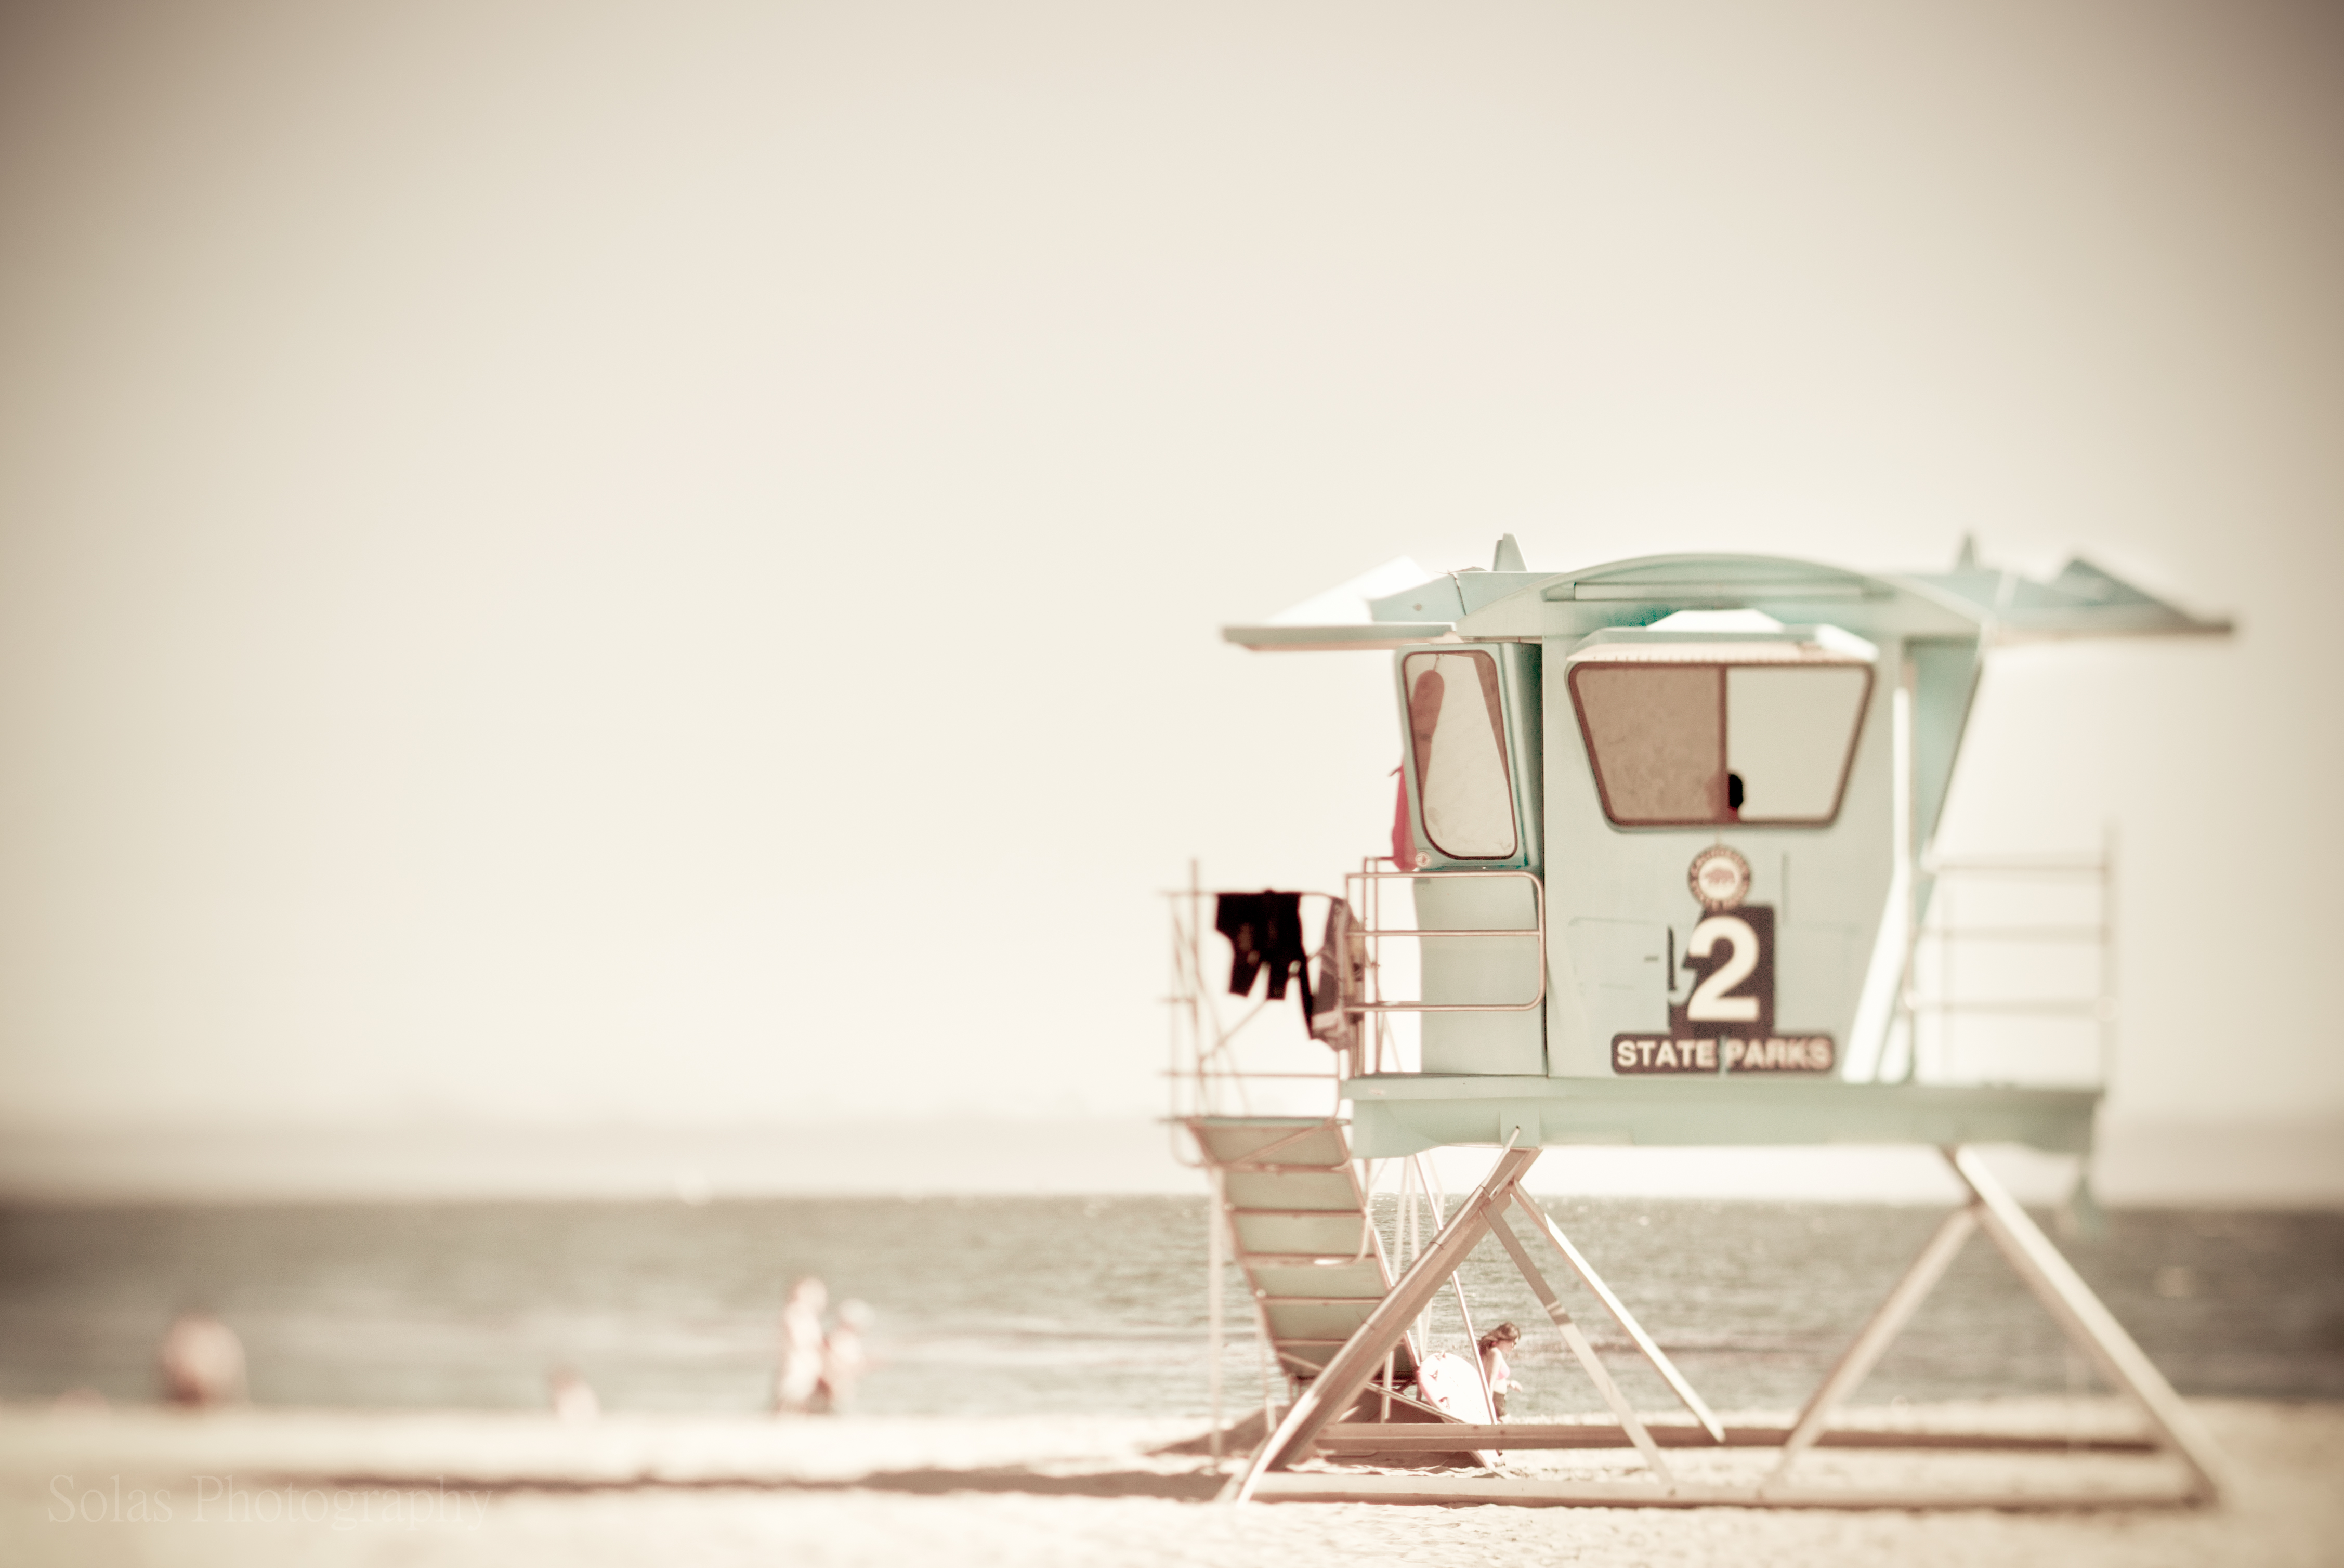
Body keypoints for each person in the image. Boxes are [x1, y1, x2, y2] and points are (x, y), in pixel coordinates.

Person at [773, 1276, 828, 1414]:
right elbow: (799, 1340)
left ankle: (793, 1413)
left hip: (807, 1358)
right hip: (801, 1358)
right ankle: (784, 1414)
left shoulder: (806, 1314)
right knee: (794, 1389)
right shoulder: (796, 1312)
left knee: (801, 1391)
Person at [814, 1299, 873, 1414]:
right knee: (840, 1410)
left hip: (841, 1386)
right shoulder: (839, 1340)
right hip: (836, 1387)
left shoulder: (845, 1339)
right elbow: (834, 1365)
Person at [1476, 1322, 1525, 1420]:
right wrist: (1488, 1410)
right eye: (1514, 1343)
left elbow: (1493, 1378)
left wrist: (1509, 1383)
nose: (1514, 1347)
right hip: (1496, 1402)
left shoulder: (1492, 1351)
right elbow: (1489, 1383)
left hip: (1497, 1401)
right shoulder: (1496, 1354)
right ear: (1507, 1338)